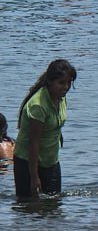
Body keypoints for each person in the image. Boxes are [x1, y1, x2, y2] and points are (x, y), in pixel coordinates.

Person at [13, 59, 77, 199]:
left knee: (54, 203)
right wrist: (34, 176)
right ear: (49, 82)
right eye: (61, 83)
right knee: (28, 206)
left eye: (69, 82)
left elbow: (55, 120)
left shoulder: (60, 97)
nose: (65, 87)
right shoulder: (38, 105)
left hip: (50, 159)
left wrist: (58, 134)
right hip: (27, 161)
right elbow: (33, 143)